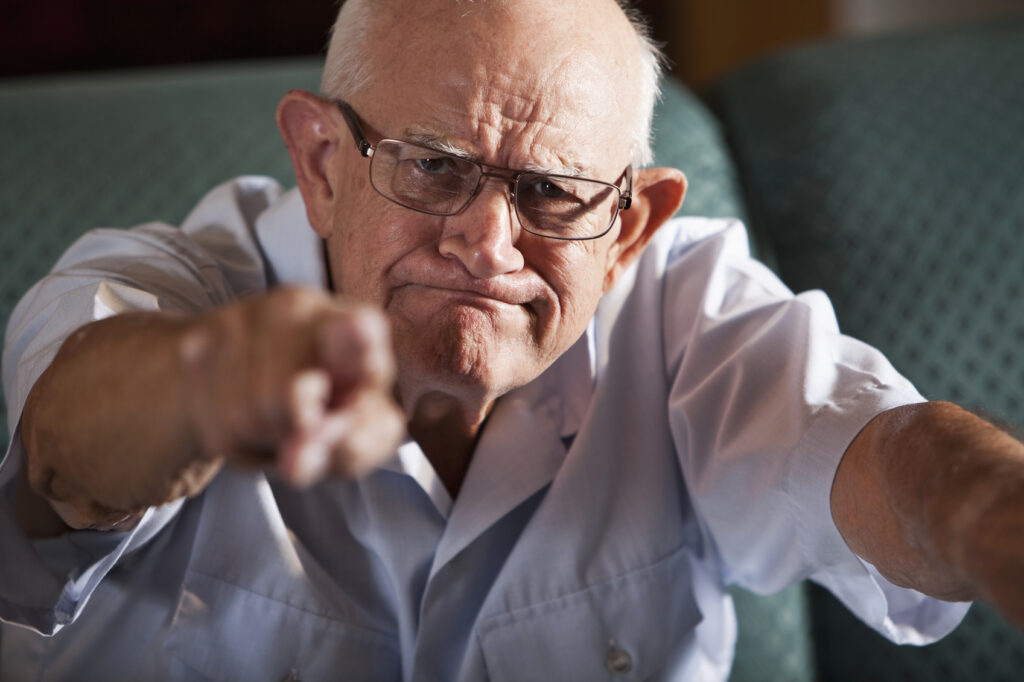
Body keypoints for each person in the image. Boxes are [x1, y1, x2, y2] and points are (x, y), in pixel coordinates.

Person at [2, 0, 1023, 679]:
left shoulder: (685, 311)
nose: (488, 243)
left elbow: (888, 458)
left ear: (627, 228)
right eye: (434, 167)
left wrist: (990, 508)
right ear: (320, 163)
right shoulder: (166, 284)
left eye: (551, 192)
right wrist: (218, 382)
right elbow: (64, 451)